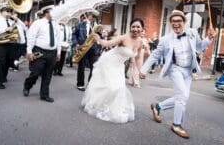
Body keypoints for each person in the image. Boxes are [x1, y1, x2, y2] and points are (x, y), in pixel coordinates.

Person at [140, 10, 214, 139]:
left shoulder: (192, 33)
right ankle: (176, 125)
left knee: (183, 98)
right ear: (170, 23)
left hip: (188, 70)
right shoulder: (165, 39)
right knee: (182, 96)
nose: (176, 24)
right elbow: (155, 55)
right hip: (175, 69)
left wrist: (209, 38)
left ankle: (158, 106)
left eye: (179, 21)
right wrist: (143, 69)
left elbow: (200, 46)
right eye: (173, 22)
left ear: (184, 22)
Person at [81, 17, 144, 123]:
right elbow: (107, 44)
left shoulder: (140, 41)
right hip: (109, 62)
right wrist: (98, 39)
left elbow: (135, 56)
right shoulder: (124, 37)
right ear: (130, 27)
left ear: (142, 28)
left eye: (138, 27)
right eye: (133, 26)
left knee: (119, 88)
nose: (135, 29)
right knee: (110, 86)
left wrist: (138, 70)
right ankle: (97, 104)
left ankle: (114, 108)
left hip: (119, 66)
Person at [23, 7, 61, 103]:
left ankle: (44, 95)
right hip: (39, 51)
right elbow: (31, 37)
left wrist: (58, 52)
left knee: (48, 74)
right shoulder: (38, 23)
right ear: (46, 13)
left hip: (52, 52)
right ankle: (27, 85)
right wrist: (29, 51)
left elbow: (58, 39)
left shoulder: (56, 24)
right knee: (36, 72)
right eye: (53, 11)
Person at [0, 6, 24, 89]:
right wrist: (5, 29)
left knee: (8, 62)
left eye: (10, 11)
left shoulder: (12, 21)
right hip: (1, 44)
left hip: (11, 44)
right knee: (0, 62)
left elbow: (23, 28)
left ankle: (3, 77)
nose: (9, 13)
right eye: (7, 11)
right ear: (1, 12)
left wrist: (17, 20)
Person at [72, 11, 101, 91]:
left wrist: (98, 38)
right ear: (88, 15)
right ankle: (80, 84)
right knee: (81, 67)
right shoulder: (80, 24)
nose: (93, 18)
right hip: (83, 48)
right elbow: (74, 35)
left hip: (93, 48)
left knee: (94, 67)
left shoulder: (97, 26)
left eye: (95, 16)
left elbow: (100, 36)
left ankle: (90, 83)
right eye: (92, 15)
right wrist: (76, 44)